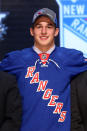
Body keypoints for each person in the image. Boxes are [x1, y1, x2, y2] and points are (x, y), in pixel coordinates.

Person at [0, 8, 87, 131]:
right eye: (39, 26)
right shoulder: (15, 59)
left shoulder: (71, 58)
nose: (44, 31)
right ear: (32, 31)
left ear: (56, 31)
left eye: (49, 26)